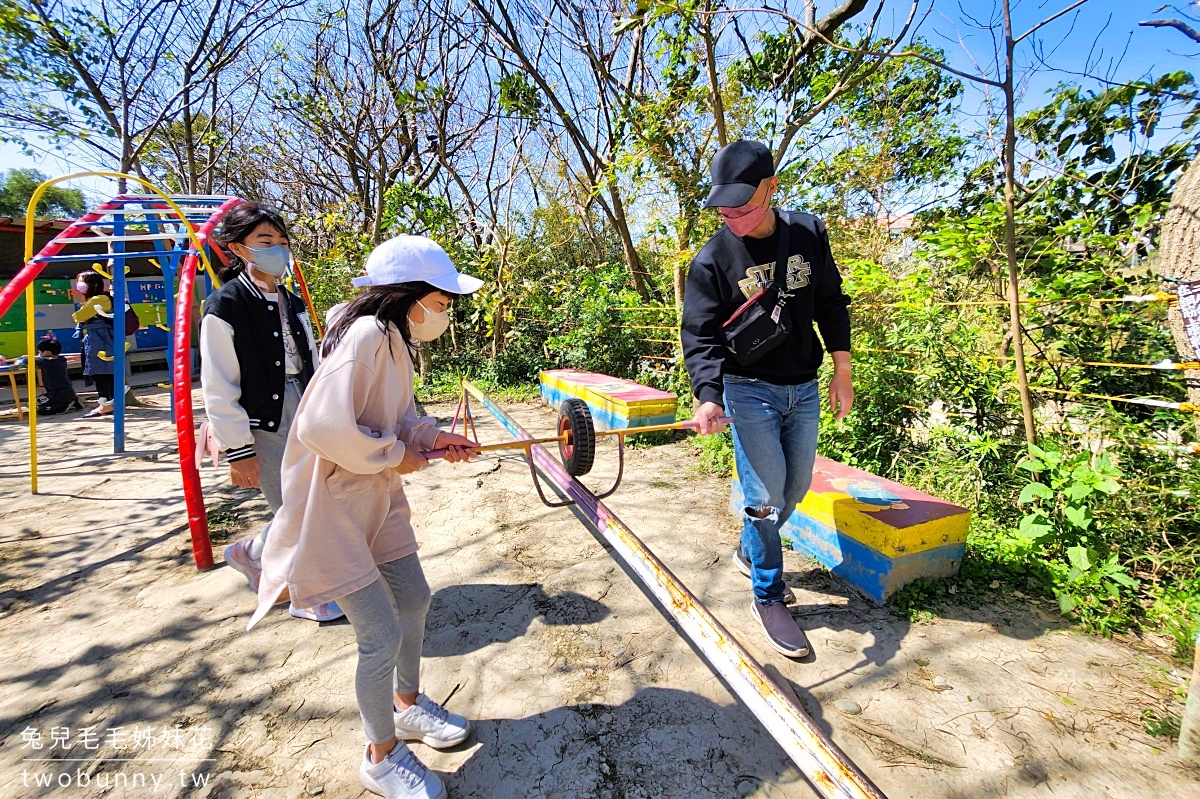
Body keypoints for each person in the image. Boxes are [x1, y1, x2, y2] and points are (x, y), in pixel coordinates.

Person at [246, 235, 482, 799]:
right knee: (378, 633)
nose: (446, 312)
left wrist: (429, 436)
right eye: (443, 301)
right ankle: (380, 756)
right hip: (334, 506)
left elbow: (394, 418)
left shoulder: (395, 338)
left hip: (374, 494)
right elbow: (323, 428)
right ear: (411, 295)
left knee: (414, 599)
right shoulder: (367, 334)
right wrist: (398, 454)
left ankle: (405, 706)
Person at [681, 140, 853, 659]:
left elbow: (830, 301)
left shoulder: (807, 233)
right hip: (747, 388)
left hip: (802, 386)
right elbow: (701, 335)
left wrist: (842, 369)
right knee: (764, 496)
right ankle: (769, 595)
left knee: (794, 486)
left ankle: (749, 551)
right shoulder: (712, 261)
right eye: (723, 211)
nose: (732, 220)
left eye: (744, 208)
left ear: (771, 188)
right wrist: (708, 397)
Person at [200, 202, 342, 623]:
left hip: (305, 406)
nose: (277, 250)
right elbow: (219, 385)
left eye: (282, 242)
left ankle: (252, 553)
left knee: (314, 500)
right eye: (265, 242)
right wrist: (238, 449)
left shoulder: (291, 299)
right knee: (295, 506)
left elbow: (311, 359)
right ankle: (304, 593)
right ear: (237, 248)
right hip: (265, 416)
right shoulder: (224, 305)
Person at [70, 271, 120, 419]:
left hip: (100, 338)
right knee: (103, 370)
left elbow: (79, 316)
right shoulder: (96, 299)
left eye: (82, 281)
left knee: (100, 370)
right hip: (99, 337)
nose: (79, 285)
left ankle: (106, 404)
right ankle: (107, 402)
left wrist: (83, 303)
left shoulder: (99, 299)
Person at [34, 337, 82, 415]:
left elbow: (27, 361)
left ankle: (64, 406)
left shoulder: (47, 362)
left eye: (39, 353)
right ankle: (72, 401)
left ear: (47, 353)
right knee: (39, 402)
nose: (39, 355)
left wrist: (22, 359)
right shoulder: (61, 359)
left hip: (58, 393)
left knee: (39, 407)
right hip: (66, 391)